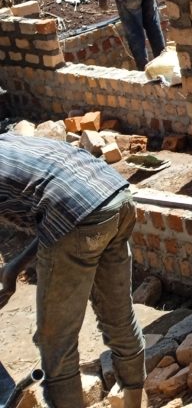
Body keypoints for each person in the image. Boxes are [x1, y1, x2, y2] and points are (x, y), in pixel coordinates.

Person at [0, 135, 146, 408]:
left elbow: (65, 216)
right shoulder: (12, 143)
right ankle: (134, 403)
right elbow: (54, 216)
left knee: (56, 341)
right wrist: (13, 268)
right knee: (118, 317)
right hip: (118, 197)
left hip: (77, 215)